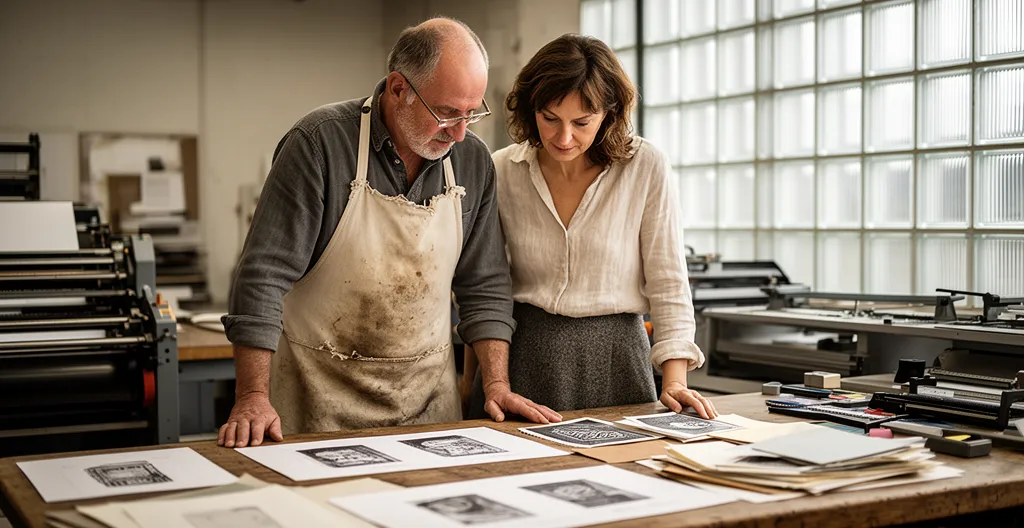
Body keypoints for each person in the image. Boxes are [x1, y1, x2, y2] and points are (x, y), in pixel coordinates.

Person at [218, 17, 560, 449]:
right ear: (398, 88)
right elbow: (263, 276)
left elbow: (485, 285)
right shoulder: (320, 144)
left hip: (427, 408)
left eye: (471, 114)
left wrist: (496, 384)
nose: (459, 133)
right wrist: (252, 397)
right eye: (447, 113)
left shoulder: (472, 161)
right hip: (317, 398)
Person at [463, 34, 717, 419]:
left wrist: (675, 381)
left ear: (609, 114)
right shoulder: (502, 169)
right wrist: (474, 384)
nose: (564, 138)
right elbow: (482, 284)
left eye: (582, 122)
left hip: (619, 358)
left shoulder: (645, 166)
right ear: (531, 108)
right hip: (526, 353)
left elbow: (668, 280)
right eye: (550, 119)